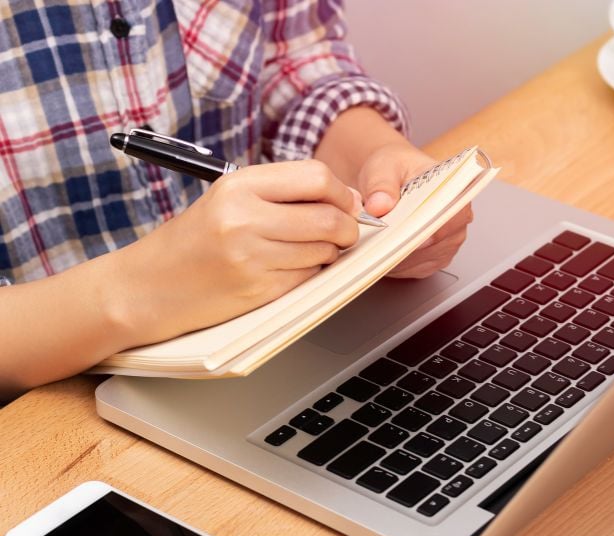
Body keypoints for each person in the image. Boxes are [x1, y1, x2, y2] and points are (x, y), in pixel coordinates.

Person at [0, 0, 472, 400]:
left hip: (278, 335)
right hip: (49, 413)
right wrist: (137, 292)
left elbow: (293, 56)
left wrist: (374, 156)